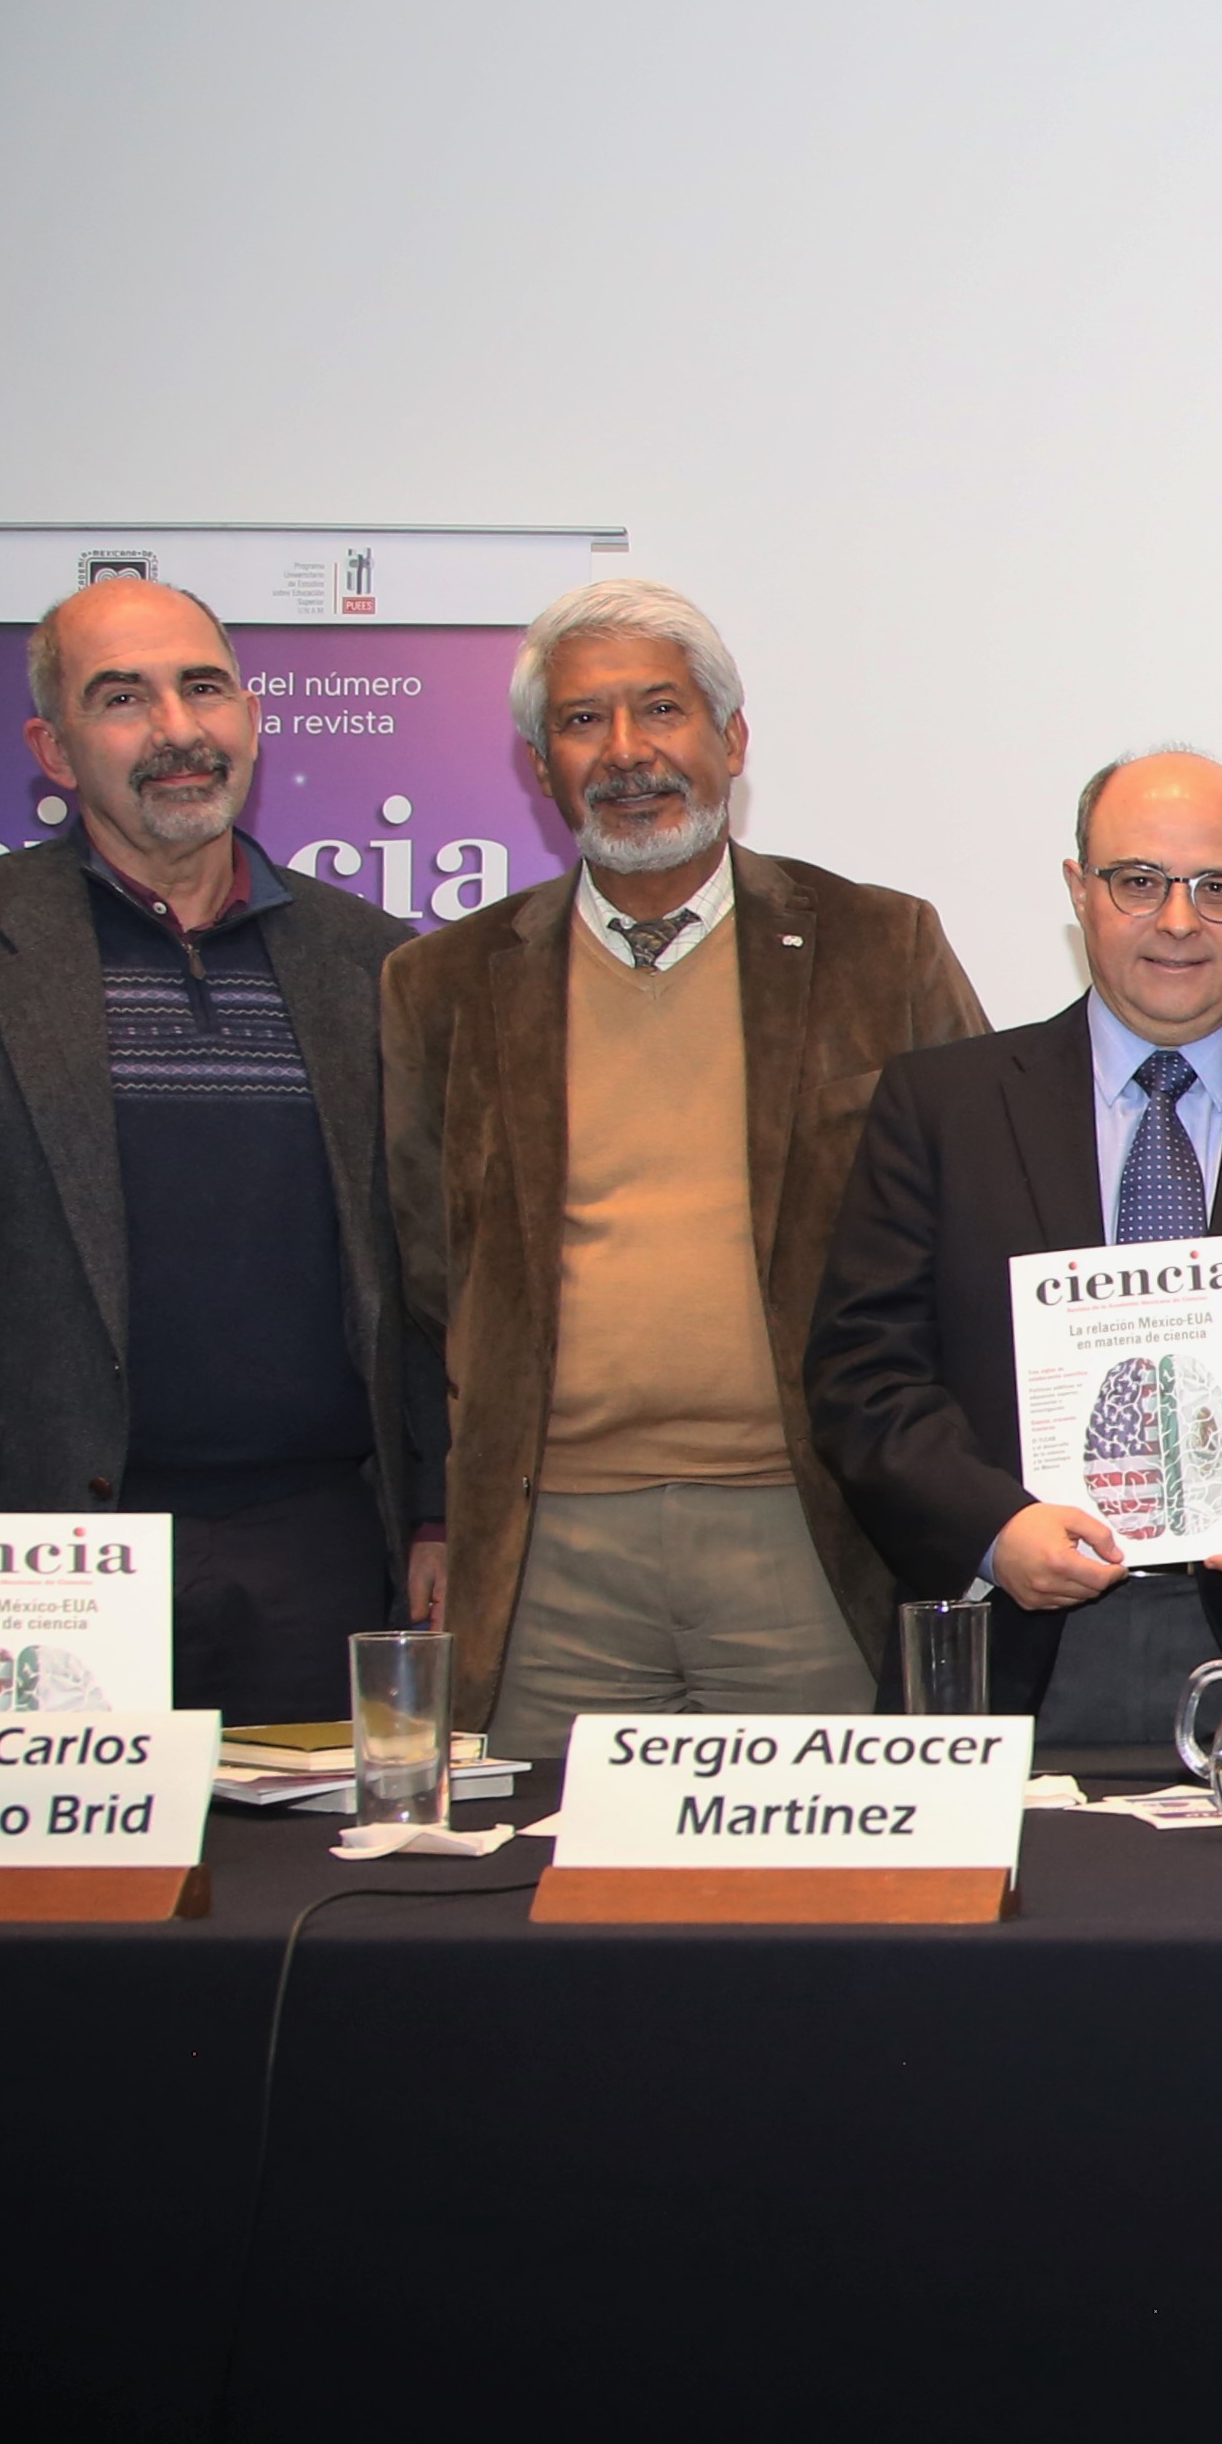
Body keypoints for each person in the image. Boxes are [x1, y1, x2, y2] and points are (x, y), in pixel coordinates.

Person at [0, 577, 438, 1721]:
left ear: (251, 716)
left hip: (320, 1551)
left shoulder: (374, 960)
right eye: (122, 698)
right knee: (46, 1901)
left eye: (204, 688)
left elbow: (429, 1269)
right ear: (51, 745)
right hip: (28, 1552)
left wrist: (435, 1511)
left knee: (307, 1898)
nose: (177, 731)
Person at [381, 577, 987, 1756]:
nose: (625, 753)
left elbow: (978, 1222)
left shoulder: (878, 945)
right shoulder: (440, 985)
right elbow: (418, 1270)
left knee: (814, 1909)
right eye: (580, 721)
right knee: (540, 1915)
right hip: (548, 1546)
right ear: (538, 763)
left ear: (731, 740)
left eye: (660, 710)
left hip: (809, 1535)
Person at [807, 750, 1222, 1749]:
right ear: (1080, 890)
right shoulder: (941, 1107)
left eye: (1218, 888)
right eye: (1138, 881)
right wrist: (992, 1530)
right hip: (1012, 1649)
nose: (1176, 920)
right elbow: (864, 1374)